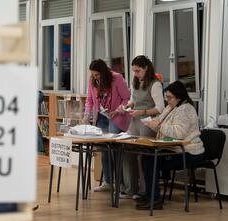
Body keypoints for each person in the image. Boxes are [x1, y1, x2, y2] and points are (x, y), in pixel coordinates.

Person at [136, 81, 204, 210]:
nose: (168, 100)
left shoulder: (186, 109)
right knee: (146, 157)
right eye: (166, 97)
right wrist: (153, 125)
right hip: (174, 148)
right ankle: (150, 195)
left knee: (151, 160)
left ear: (179, 97)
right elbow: (164, 129)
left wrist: (159, 125)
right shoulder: (170, 108)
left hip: (189, 151)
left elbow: (178, 133)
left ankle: (155, 199)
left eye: (170, 97)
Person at [117, 55, 165, 199]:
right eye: (134, 71)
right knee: (127, 152)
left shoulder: (155, 84)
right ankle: (130, 189)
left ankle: (145, 191)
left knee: (143, 157)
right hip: (134, 121)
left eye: (138, 71)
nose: (136, 74)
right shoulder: (136, 82)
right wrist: (125, 107)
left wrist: (143, 111)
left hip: (148, 122)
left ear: (146, 68)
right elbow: (133, 100)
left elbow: (160, 108)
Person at [82, 59, 131, 192]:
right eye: (92, 75)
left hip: (116, 117)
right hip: (101, 118)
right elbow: (89, 100)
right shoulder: (92, 80)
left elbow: (127, 98)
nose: (94, 77)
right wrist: (87, 114)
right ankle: (108, 182)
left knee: (115, 151)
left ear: (103, 72)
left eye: (97, 75)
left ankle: (120, 183)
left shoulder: (117, 78)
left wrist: (119, 109)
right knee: (105, 151)